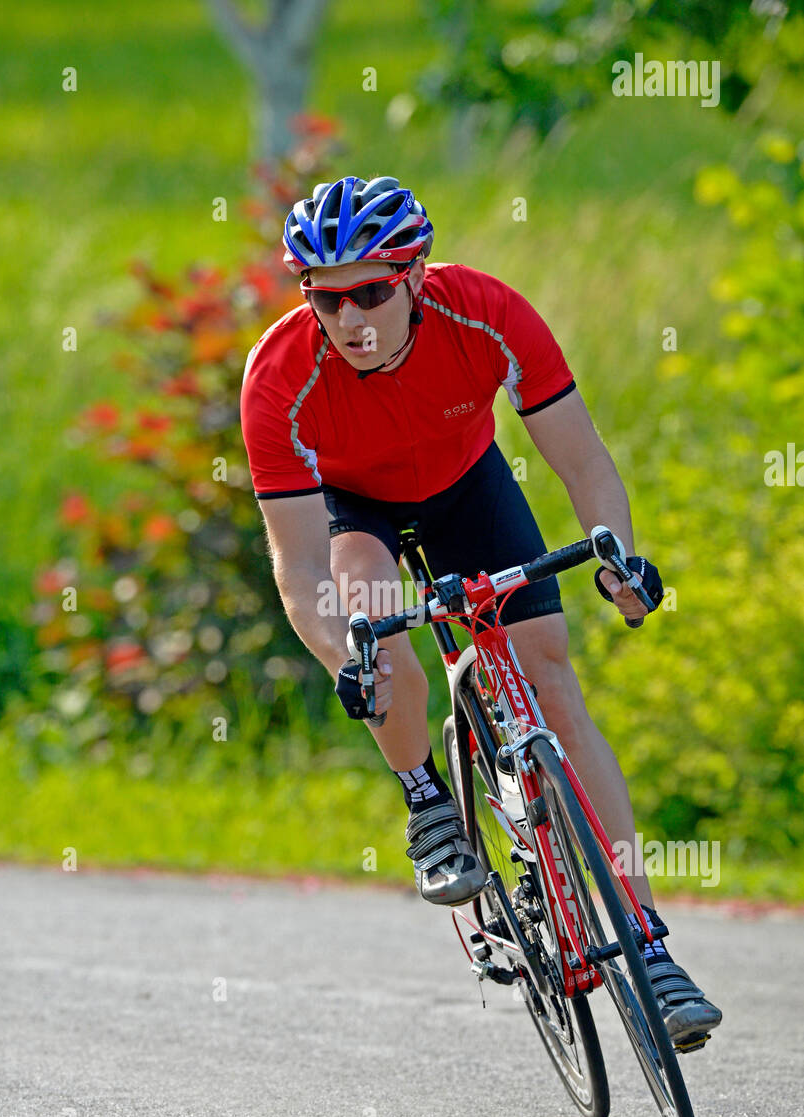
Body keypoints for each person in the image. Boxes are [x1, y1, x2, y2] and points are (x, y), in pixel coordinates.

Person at [240, 175, 721, 1052]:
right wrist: (342, 653)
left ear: (417, 274)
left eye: (371, 292)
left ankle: (647, 943)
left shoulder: (487, 311)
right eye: (326, 299)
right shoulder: (280, 375)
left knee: (551, 677)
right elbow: (299, 564)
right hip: (359, 514)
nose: (350, 319)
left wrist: (614, 554)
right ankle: (425, 798)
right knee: (375, 629)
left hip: (469, 489)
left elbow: (580, 458)